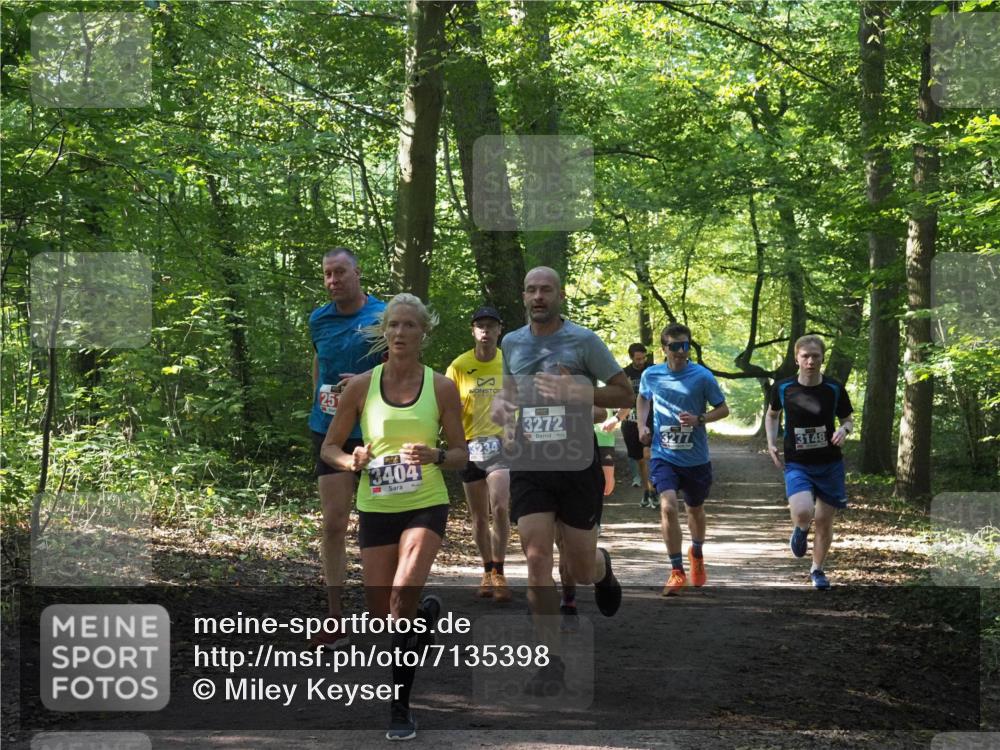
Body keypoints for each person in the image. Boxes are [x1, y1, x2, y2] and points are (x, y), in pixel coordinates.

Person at [321, 293, 467, 740]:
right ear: (384, 332)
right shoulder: (362, 385)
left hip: (425, 500)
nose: (400, 333)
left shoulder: (441, 386)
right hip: (377, 504)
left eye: (409, 326)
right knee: (384, 611)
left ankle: (400, 707)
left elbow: (462, 455)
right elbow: (330, 447)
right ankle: (422, 618)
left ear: (423, 333)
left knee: (402, 592)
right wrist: (353, 461)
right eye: (394, 325)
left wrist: (437, 453)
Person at [491, 266, 633, 694]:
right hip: (531, 462)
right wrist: (502, 406)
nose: (538, 297)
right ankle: (549, 659)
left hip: (576, 464)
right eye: (531, 289)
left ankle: (602, 567)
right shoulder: (511, 341)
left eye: (546, 290)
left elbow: (624, 393)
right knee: (536, 560)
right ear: (523, 296)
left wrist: (577, 393)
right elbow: (509, 391)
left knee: (579, 568)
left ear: (559, 295)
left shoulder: (583, 341)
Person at [308, 248, 385, 649]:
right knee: (334, 523)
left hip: (377, 430)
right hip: (328, 431)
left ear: (358, 272)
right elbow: (320, 362)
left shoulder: (384, 315)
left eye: (340, 272)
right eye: (327, 275)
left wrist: (365, 380)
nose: (333, 280)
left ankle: (387, 609)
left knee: (380, 522)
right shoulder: (318, 319)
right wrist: (316, 398)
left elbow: (403, 363)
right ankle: (335, 617)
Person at [637, 323, 729, 597]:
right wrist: (642, 425)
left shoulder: (702, 376)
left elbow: (723, 409)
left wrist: (700, 419)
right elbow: (642, 398)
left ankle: (697, 553)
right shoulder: (651, 375)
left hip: (696, 458)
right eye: (675, 346)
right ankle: (676, 571)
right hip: (663, 454)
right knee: (667, 507)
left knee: (695, 510)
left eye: (685, 346)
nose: (680, 351)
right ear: (664, 349)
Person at [765, 335, 854, 590]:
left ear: (822, 358)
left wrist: (843, 431)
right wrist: (771, 442)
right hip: (798, 463)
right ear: (797, 358)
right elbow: (772, 416)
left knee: (825, 521)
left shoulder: (834, 388)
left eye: (815, 356)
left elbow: (847, 419)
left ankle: (817, 569)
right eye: (805, 356)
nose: (810, 361)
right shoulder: (783, 388)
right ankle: (801, 528)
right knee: (804, 511)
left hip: (829, 462)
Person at [445, 306, 512, 603]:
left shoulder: (509, 362)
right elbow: (447, 406)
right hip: (470, 444)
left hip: (502, 444)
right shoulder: (459, 366)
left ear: (500, 330)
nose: (485, 331)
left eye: (491, 326)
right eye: (480, 326)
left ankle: (499, 570)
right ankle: (486, 570)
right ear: (473, 331)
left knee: (499, 506)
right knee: (478, 515)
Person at [603, 343, 655, 507]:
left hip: (650, 418)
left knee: (649, 455)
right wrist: (617, 417)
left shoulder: (653, 371)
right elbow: (620, 396)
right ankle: (647, 491)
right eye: (637, 359)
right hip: (630, 421)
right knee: (639, 459)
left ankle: (654, 491)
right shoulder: (625, 374)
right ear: (631, 358)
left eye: (643, 358)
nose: (641, 361)